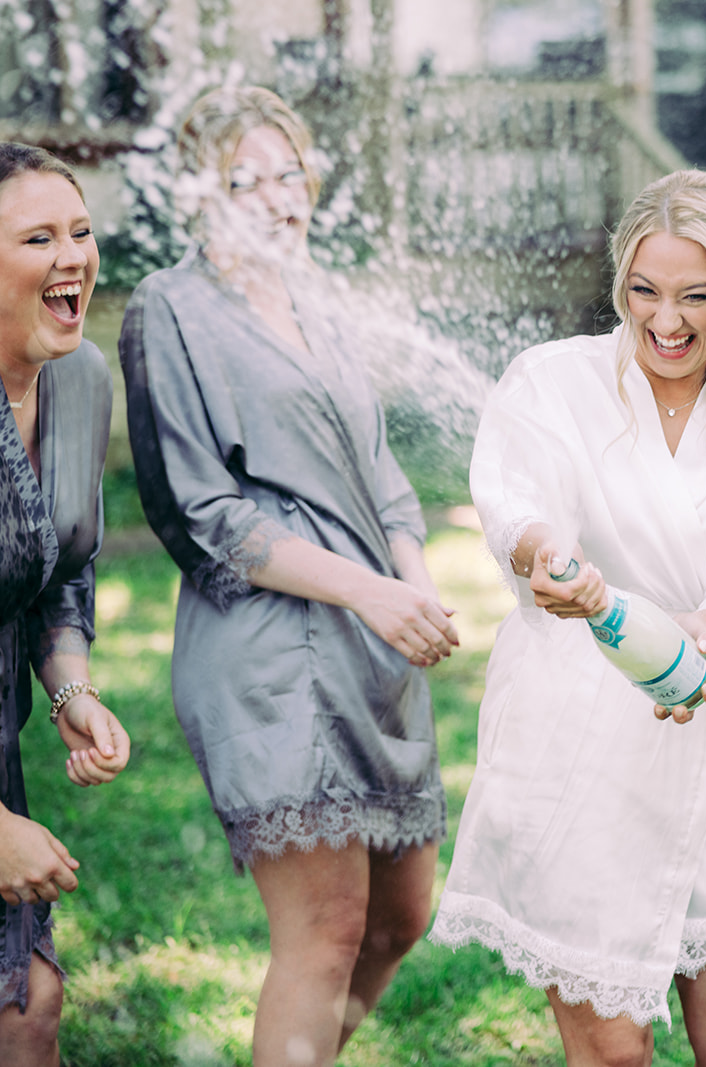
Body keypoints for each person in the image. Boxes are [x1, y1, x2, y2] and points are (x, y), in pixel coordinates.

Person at [430, 168, 706, 1067]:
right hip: (580, 752)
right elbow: (514, 501)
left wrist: (705, 625)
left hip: (702, 728)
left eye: (694, 296)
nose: (666, 320)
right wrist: (543, 556)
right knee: (614, 1054)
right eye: (644, 292)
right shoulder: (554, 382)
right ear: (620, 286)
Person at [118, 87, 454, 1067]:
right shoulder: (168, 308)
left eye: (288, 172)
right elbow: (201, 509)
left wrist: (413, 580)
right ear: (199, 196)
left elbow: (381, 467)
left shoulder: (322, 300)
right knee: (325, 932)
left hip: (375, 641)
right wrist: (369, 591)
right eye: (242, 179)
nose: (275, 196)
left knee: (399, 918)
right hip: (270, 647)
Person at [0, 142, 131, 1066]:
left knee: (28, 1004)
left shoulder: (81, 380)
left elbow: (61, 567)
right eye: (38, 237)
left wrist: (70, 689)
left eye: (80, 231)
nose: (72, 256)